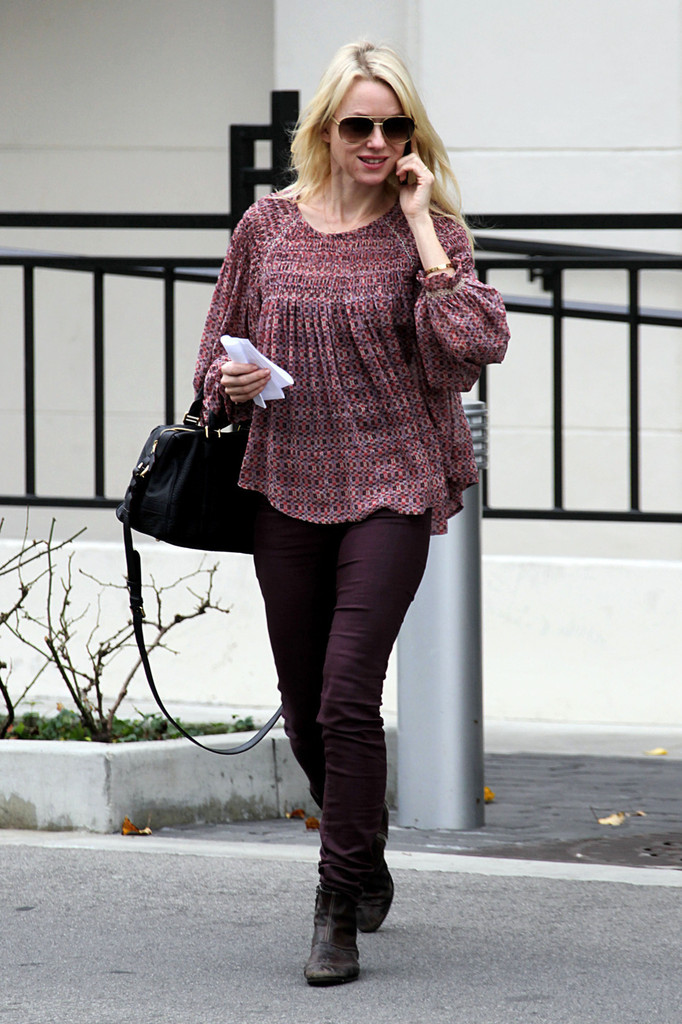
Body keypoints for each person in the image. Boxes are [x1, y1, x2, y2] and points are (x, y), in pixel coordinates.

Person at [193, 40, 509, 985]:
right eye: (358, 124)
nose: (377, 140)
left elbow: (471, 350)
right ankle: (363, 853)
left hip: (392, 482)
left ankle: (336, 908)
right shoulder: (266, 227)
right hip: (286, 481)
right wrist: (230, 386)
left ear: (411, 133)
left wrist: (420, 230)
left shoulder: (431, 232)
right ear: (325, 130)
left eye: (394, 124)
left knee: (345, 696)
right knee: (304, 712)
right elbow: (211, 361)